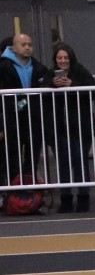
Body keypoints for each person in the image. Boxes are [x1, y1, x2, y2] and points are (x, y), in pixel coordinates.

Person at [49, 43, 95, 213]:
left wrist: (73, 85)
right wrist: (52, 85)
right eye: (59, 58)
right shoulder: (50, 74)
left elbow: (94, 90)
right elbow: (40, 89)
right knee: (63, 162)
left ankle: (83, 197)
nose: (63, 61)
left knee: (80, 160)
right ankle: (66, 198)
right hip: (59, 127)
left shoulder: (80, 71)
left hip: (80, 126)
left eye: (66, 57)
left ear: (71, 58)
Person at [0, 34, 50, 185]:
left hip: (33, 117)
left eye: (29, 44)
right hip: (10, 118)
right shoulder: (3, 67)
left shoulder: (38, 67)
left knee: (33, 153)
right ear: (14, 48)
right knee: (11, 154)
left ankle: (29, 187)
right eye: (23, 45)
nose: (27, 47)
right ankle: (13, 189)